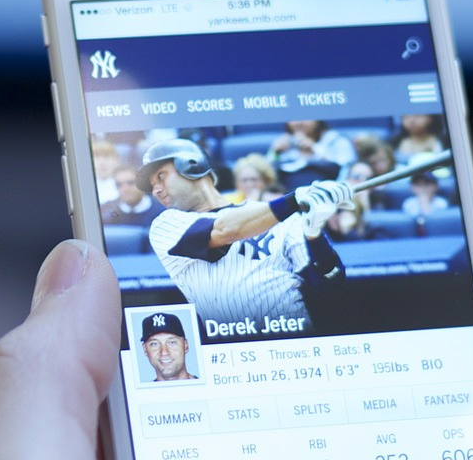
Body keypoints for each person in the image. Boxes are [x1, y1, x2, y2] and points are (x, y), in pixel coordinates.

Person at [0, 240, 473, 460]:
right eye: (191, 174)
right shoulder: (170, 230)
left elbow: (333, 281)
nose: (203, 182)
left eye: (208, 173)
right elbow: (224, 228)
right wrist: (291, 206)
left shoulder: (275, 235)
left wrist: (314, 235)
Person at [136, 138, 352, 332]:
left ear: (192, 165)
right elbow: (226, 230)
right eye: (152, 186)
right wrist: (293, 200)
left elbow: (329, 287)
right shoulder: (166, 225)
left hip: (292, 344)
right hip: (232, 354)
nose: (156, 190)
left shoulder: (280, 216)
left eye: (161, 177)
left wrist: (314, 234)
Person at [270, 120, 357, 173]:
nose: (299, 122)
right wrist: (275, 154)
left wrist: (315, 149)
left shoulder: (337, 140)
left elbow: (346, 170)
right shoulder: (281, 142)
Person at [138, 312, 196, 382]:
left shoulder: (209, 387)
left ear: (185, 345)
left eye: (172, 342)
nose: (164, 352)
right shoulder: (140, 392)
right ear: (145, 349)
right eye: (154, 344)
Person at [99, 167, 164, 227]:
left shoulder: (162, 212)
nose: (125, 189)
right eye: (119, 185)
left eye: (130, 183)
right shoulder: (108, 216)